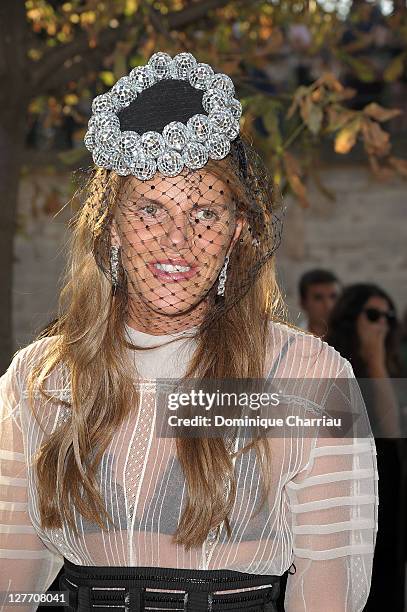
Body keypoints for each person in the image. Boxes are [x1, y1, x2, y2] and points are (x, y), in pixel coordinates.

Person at [0, 51, 378, 612]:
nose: (177, 239)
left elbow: (332, 593)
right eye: (150, 209)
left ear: (236, 233)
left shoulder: (308, 376)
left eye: (204, 213)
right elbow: (13, 583)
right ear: (110, 230)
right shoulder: (40, 378)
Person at [325, 283, 406, 611]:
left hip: (387, 490)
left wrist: (376, 361)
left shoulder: (390, 367)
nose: (382, 324)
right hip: (346, 493)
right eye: (372, 315)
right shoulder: (331, 365)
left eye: (387, 316)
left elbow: (391, 432)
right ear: (351, 318)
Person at [298, 269, 341, 337]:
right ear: (303, 303)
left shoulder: (355, 338)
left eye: (333, 296)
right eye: (318, 298)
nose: (328, 305)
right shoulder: (292, 341)